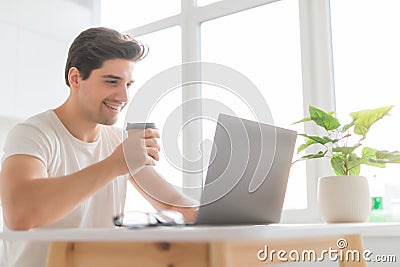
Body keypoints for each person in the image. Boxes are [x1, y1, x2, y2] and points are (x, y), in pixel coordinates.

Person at [0, 27, 198, 267]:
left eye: (128, 84)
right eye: (112, 82)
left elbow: (171, 204)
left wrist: (231, 210)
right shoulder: (34, 134)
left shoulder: (117, 142)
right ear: (75, 78)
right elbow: (20, 213)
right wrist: (115, 164)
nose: (123, 96)